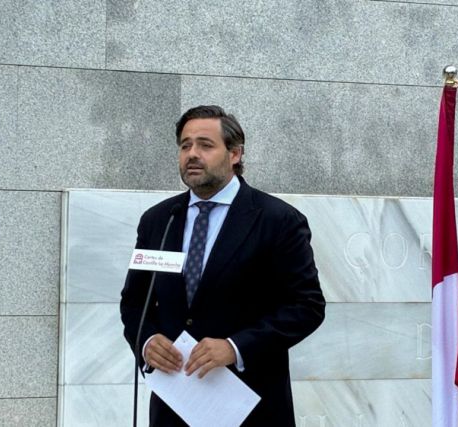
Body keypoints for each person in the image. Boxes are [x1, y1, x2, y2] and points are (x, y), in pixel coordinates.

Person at [120, 105, 326, 426]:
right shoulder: (159, 220)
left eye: (205, 144)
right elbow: (135, 303)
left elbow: (307, 306)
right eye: (185, 145)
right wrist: (146, 341)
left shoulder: (278, 220)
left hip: (250, 407)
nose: (192, 154)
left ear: (234, 154)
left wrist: (235, 347)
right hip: (174, 407)